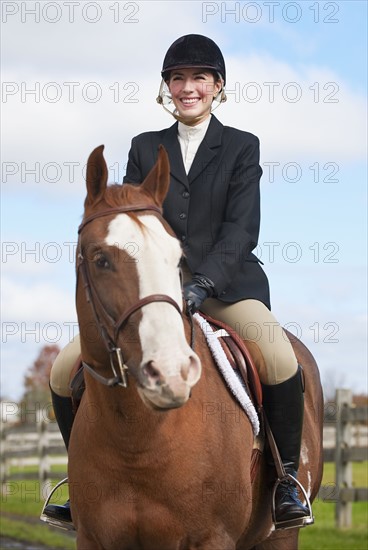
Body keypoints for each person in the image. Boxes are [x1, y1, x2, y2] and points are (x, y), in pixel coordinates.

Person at [44, 34, 310, 529]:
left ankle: (287, 482)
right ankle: (80, 483)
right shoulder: (146, 147)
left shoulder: (241, 147)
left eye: (199, 78)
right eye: (178, 79)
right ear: (167, 87)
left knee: (279, 358)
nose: (188, 87)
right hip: (153, 290)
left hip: (228, 287)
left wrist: (202, 283)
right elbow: (129, 219)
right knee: (63, 371)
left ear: (217, 87)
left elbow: (242, 230)